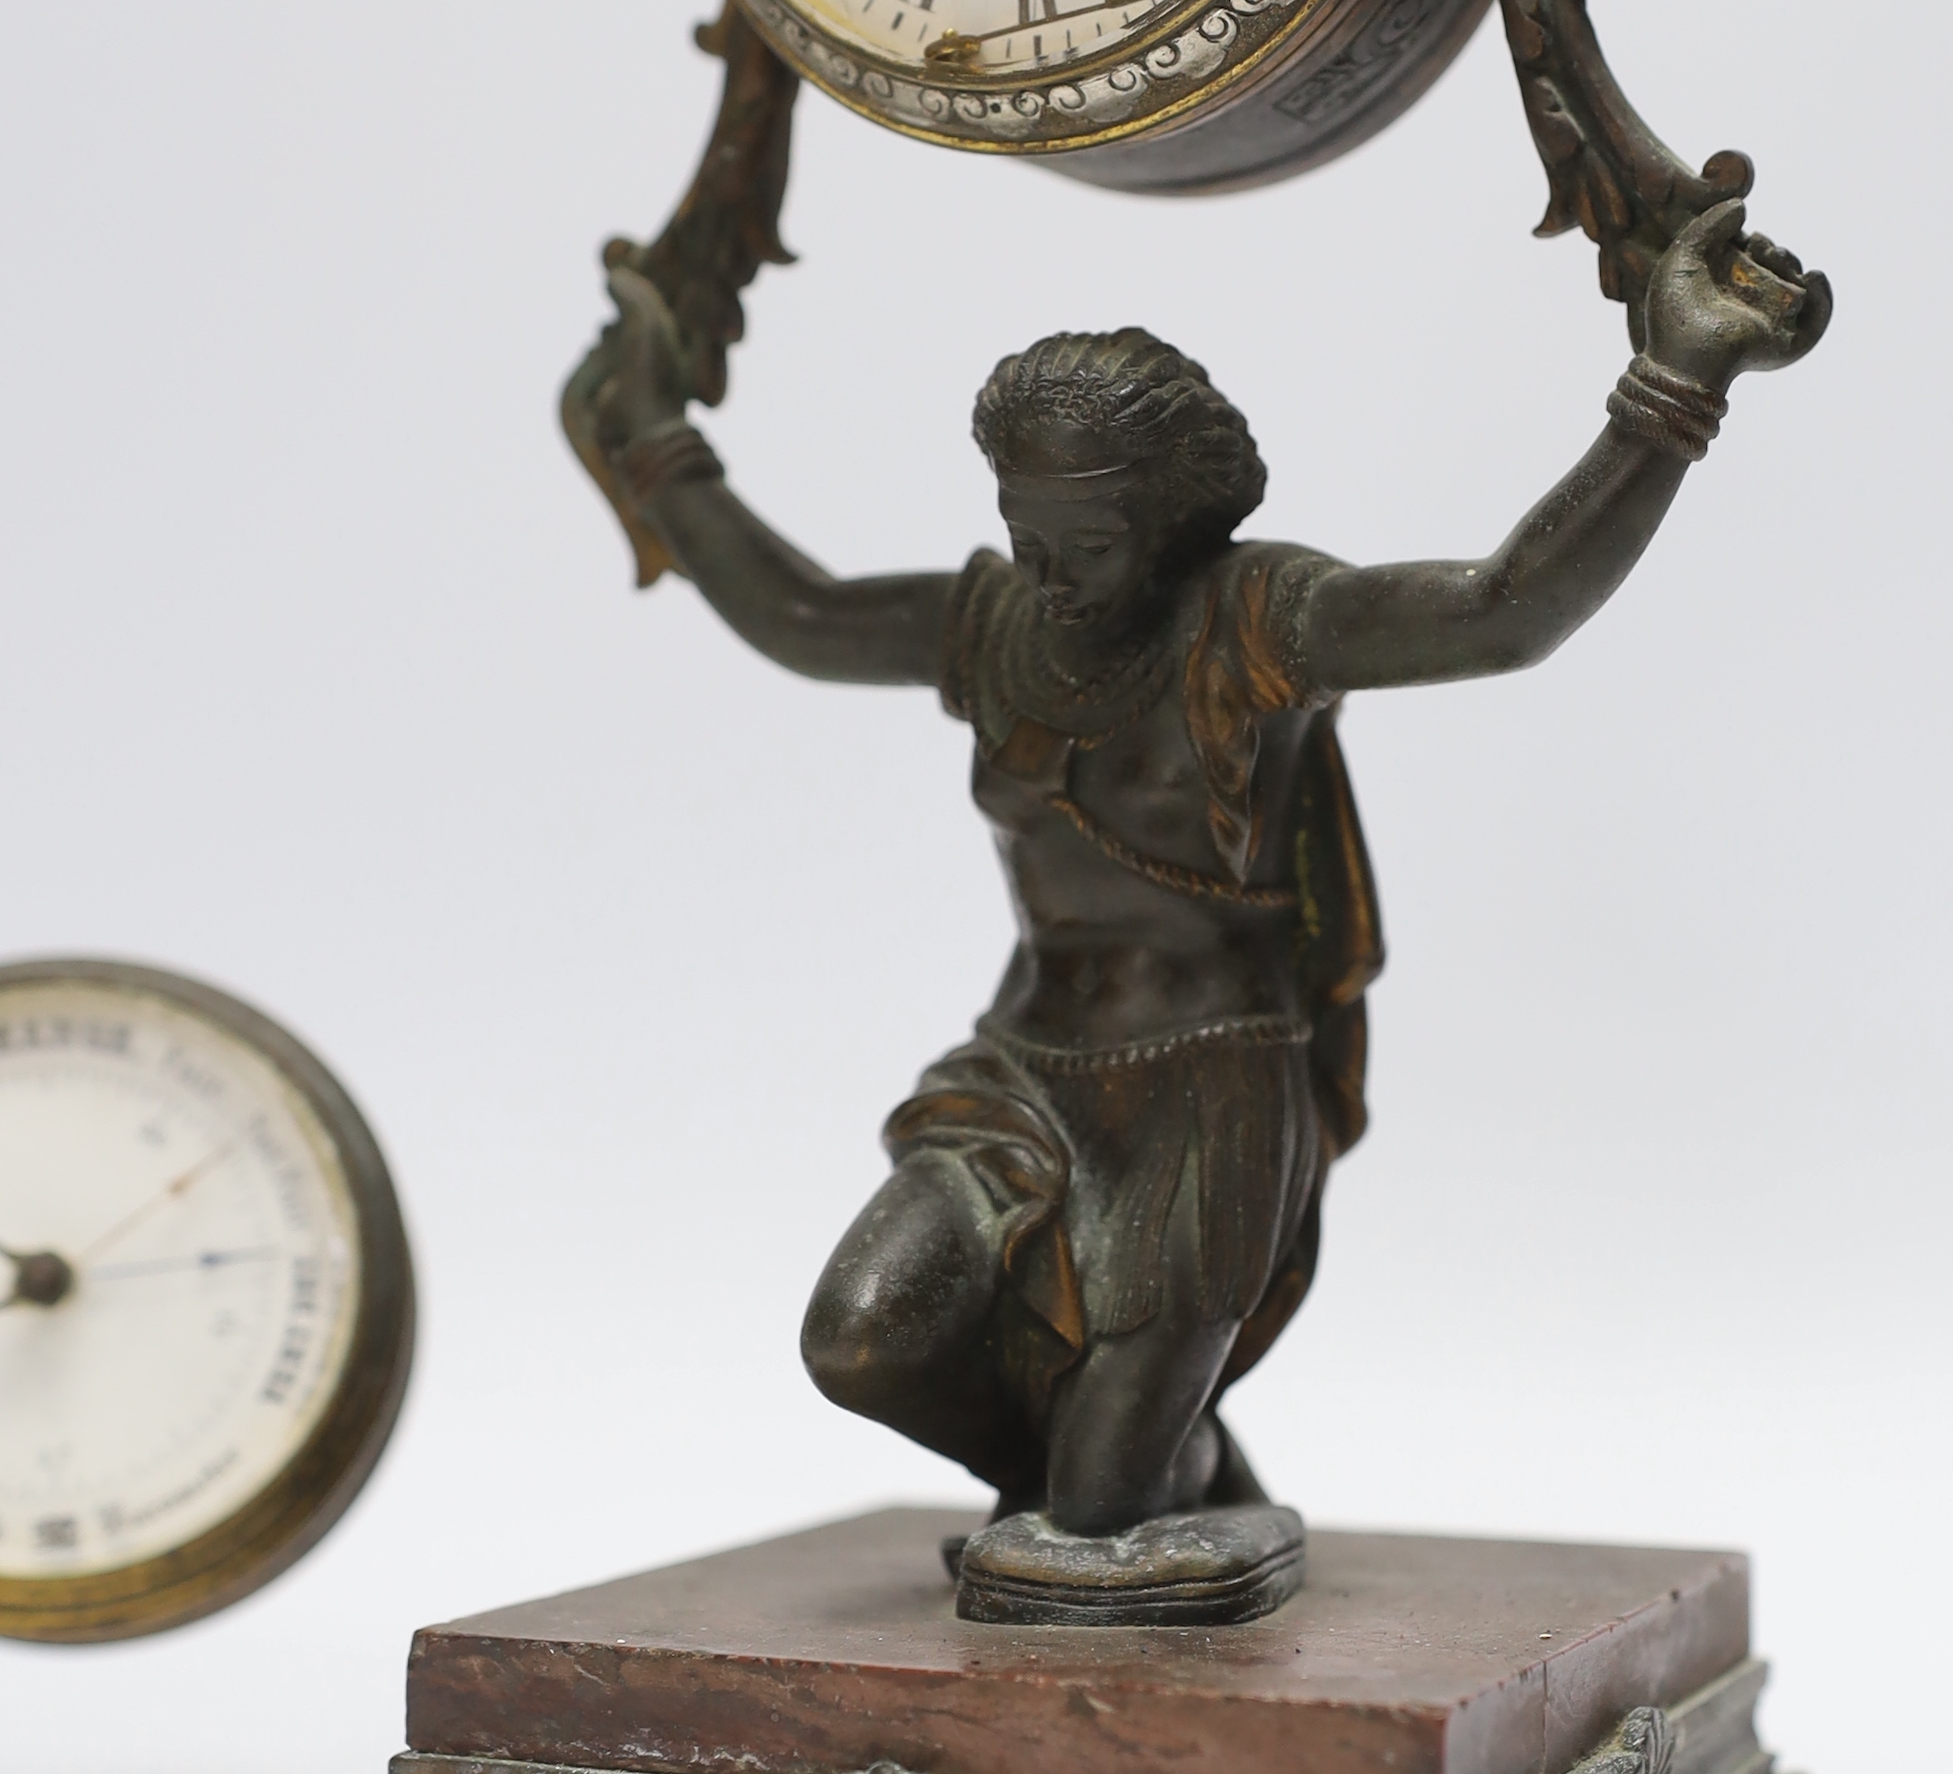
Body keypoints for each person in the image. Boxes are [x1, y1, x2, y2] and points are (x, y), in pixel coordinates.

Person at [567, 197, 1825, 1618]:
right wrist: (652, 429)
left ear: (1171, 527)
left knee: (1093, 1518)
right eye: (1020, 532)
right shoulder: (996, 625)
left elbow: (1499, 610)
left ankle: (1142, 1482)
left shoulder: (1256, 623)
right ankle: (1176, 1467)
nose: (1045, 575)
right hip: (1024, 1082)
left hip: (1210, 1094)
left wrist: (1675, 386)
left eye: (1085, 545)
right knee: (864, 1340)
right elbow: (795, 610)